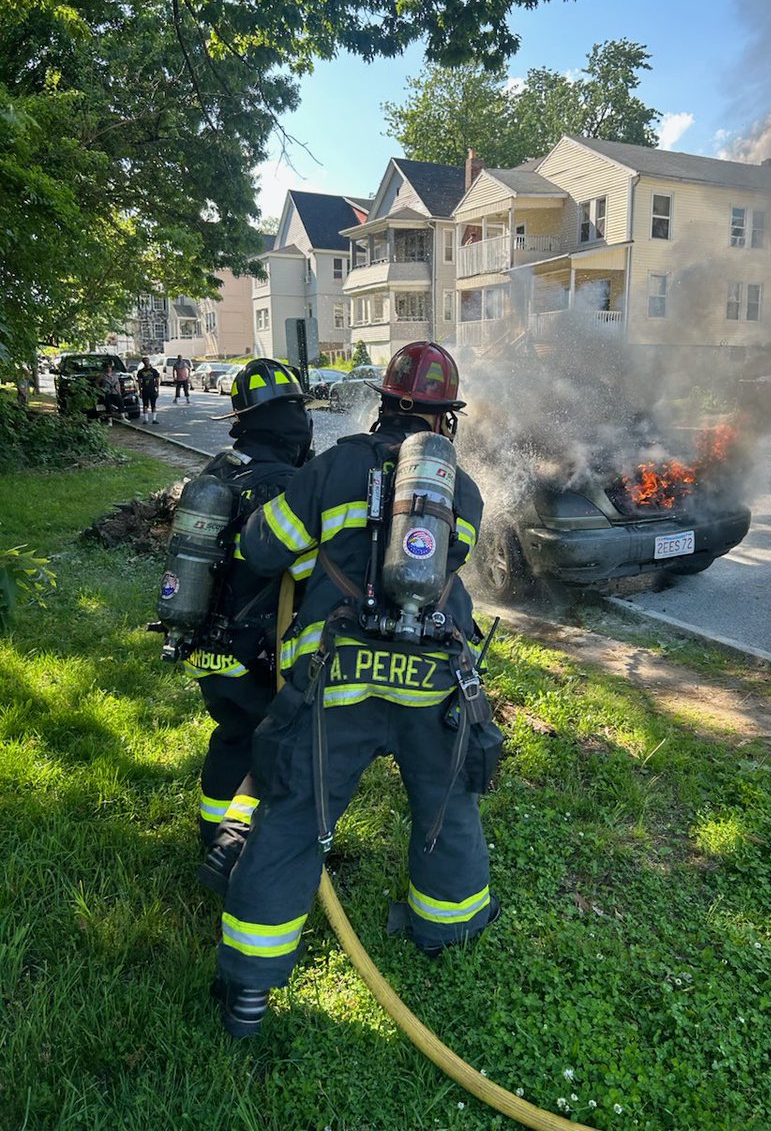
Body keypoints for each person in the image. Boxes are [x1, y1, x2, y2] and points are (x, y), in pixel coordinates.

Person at [212, 341, 499, 1039]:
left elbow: (262, 549)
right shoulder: (459, 488)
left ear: (383, 404)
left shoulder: (336, 464)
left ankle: (249, 990)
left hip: (334, 683)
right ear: (444, 421)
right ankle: (445, 932)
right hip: (435, 680)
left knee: (291, 818)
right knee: (446, 806)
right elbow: (446, 564)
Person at [184, 359, 313, 862]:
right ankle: (243, 848)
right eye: (299, 414)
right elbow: (305, 575)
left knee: (232, 734)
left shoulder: (219, 470)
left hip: (205, 646)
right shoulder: (286, 487)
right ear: (289, 423)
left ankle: (212, 831)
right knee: (275, 746)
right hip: (257, 652)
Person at [136, 357, 160, 423]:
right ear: (143, 362)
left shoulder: (154, 371)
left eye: (147, 361)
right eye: (144, 361)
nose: (146, 362)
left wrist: (157, 390)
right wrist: (140, 391)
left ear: (149, 361)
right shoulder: (141, 372)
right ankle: (146, 419)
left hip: (152, 389)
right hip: (145, 390)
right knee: (145, 405)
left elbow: (157, 380)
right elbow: (139, 382)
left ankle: (154, 419)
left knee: (153, 405)